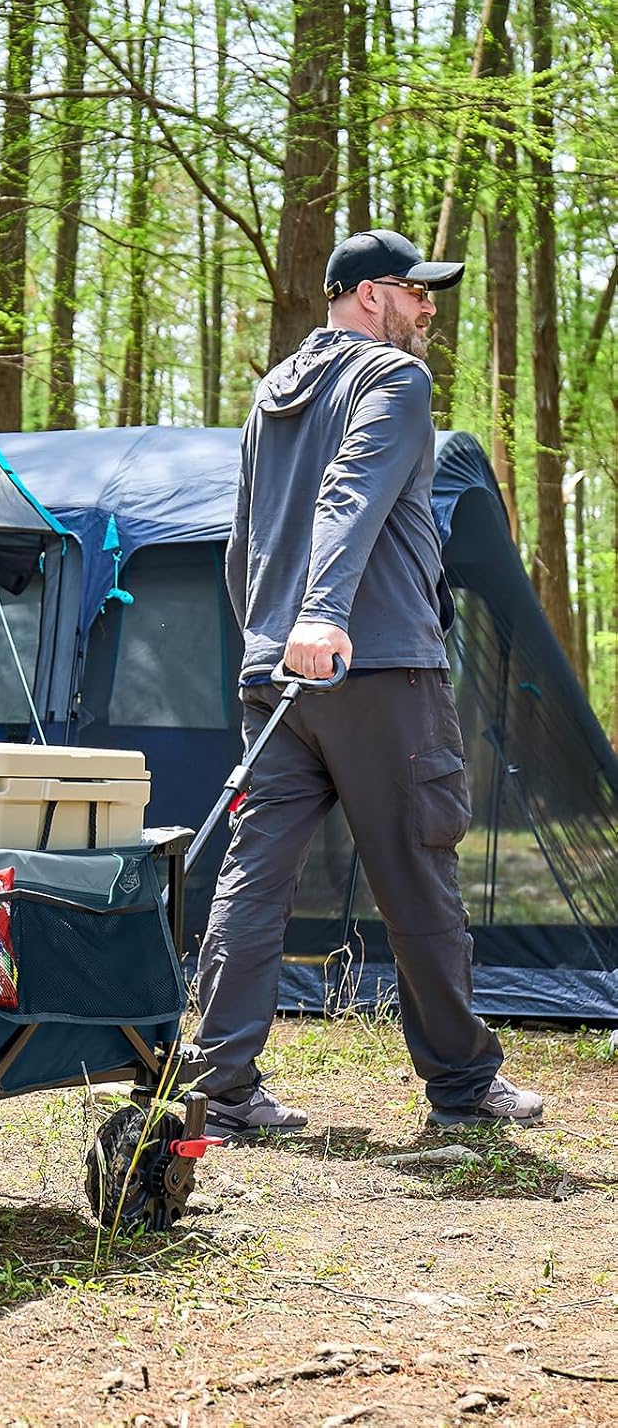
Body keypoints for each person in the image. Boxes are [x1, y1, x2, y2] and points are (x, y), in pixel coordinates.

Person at [195, 228, 544, 1139]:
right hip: (373, 663)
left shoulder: (268, 397)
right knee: (419, 871)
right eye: (414, 291)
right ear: (365, 296)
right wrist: (323, 616)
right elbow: (352, 493)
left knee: (255, 874)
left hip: (279, 677)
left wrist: (268, 639)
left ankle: (220, 1088)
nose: (429, 307)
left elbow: (240, 546)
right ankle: (464, 1089)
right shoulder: (394, 381)